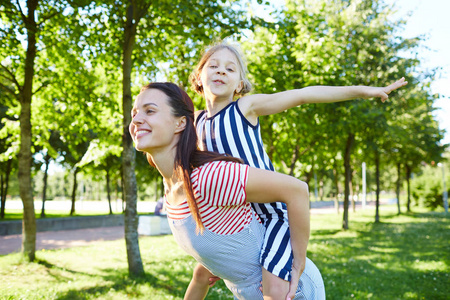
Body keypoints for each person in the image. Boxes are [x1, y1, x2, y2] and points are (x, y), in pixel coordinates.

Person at [189, 42, 408, 298]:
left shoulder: (245, 108)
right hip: (234, 217)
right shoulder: (196, 123)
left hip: (272, 216)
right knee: (200, 275)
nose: (221, 72)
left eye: (230, 69)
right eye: (213, 66)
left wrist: (365, 91)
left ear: (239, 84)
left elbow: (304, 94)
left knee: (274, 290)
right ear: (199, 77)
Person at [129, 82, 325, 299]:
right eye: (134, 113)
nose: (136, 120)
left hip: (290, 290)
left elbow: (297, 190)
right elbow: (204, 270)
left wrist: (299, 261)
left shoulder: (208, 177)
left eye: (150, 111)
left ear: (180, 123)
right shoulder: (171, 192)